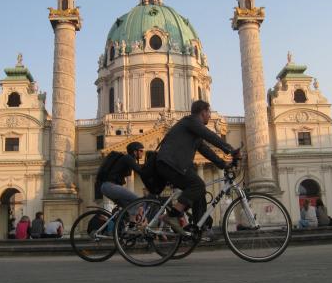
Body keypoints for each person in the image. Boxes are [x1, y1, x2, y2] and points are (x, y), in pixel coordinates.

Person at [156, 100, 239, 235]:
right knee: (198, 185)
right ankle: (172, 215)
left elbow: (206, 150)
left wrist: (223, 165)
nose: (210, 116)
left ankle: (199, 226)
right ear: (203, 112)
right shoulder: (192, 121)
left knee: (199, 192)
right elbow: (209, 135)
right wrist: (230, 149)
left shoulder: (193, 129)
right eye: (209, 113)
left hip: (172, 164)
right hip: (170, 163)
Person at [98, 142, 145, 223]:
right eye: (141, 150)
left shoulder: (126, 159)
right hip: (110, 186)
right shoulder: (128, 158)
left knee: (129, 207)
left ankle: (127, 229)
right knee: (139, 201)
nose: (142, 153)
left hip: (106, 187)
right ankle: (132, 223)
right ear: (135, 151)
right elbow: (141, 171)